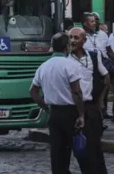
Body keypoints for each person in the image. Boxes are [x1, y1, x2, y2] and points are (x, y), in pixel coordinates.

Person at [29, 32, 84, 174]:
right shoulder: (70, 65)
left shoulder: (44, 66)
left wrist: (45, 107)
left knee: (57, 153)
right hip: (70, 112)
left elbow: (33, 91)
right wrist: (81, 115)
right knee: (79, 150)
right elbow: (76, 92)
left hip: (53, 113)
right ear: (67, 47)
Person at [68, 27, 109, 173]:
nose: (72, 41)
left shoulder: (93, 55)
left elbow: (105, 76)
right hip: (74, 108)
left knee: (95, 146)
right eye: (70, 37)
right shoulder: (66, 59)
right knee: (82, 148)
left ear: (84, 40)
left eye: (76, 38)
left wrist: (102, 99)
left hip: (91, 107)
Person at [83, 12, 114, 119]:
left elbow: (109, 51)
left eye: (96, 20)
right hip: (88, 68)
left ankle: (102, 112)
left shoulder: (103, 35)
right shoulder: (81, 35)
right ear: (85, 23)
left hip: (102, 64)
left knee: (104, 88)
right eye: (92, 21)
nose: (95, 23)